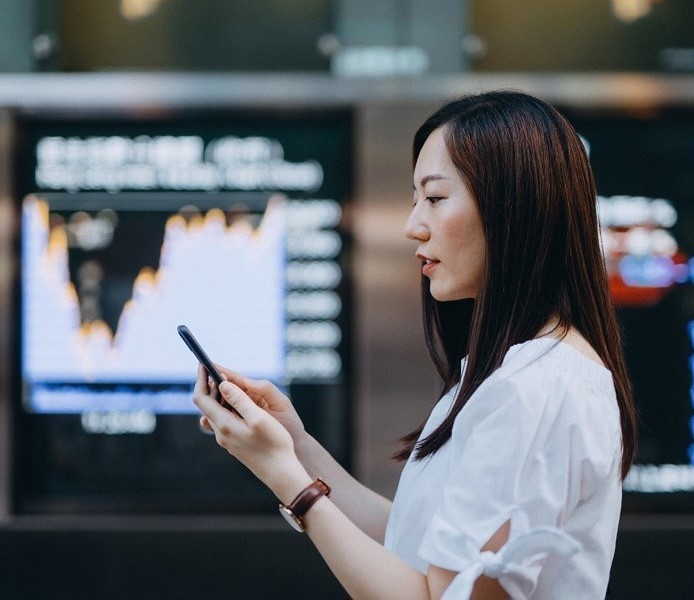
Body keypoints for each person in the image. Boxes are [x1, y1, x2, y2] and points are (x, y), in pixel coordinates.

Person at [193, 90, 637, 599]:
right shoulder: (520, 370)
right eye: (414, 199)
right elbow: (418, 548)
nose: (411, 226)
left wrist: (290, 483)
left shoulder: (531, 388)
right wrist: (295, 447)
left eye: (435, 198)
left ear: (513, 207)